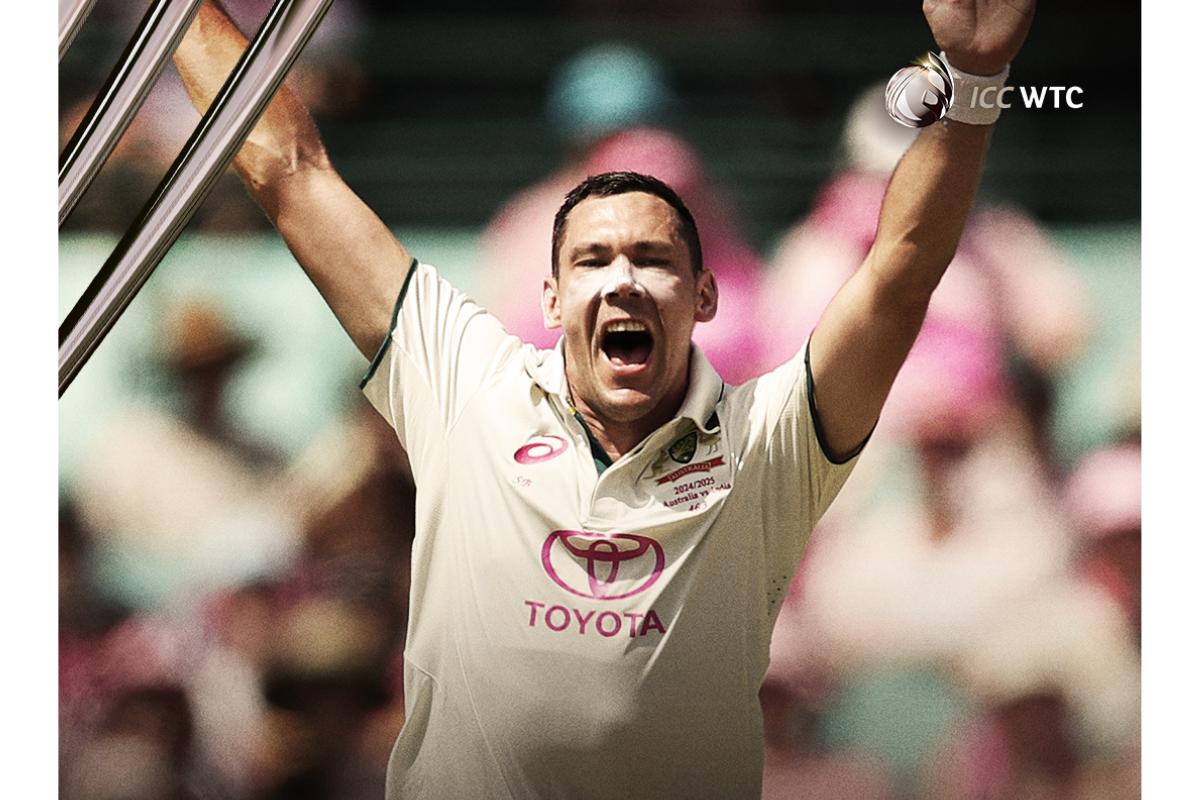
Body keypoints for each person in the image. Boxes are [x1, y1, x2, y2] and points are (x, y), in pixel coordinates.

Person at [172, 1, 1036, 796]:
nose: (623, 280)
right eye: (592, 260)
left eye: (654, 260)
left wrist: (974, 78)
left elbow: (902, 267)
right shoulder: (466, 383)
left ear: (704, 297)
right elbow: (290, 168)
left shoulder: (768, 444)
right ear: (549, 299)